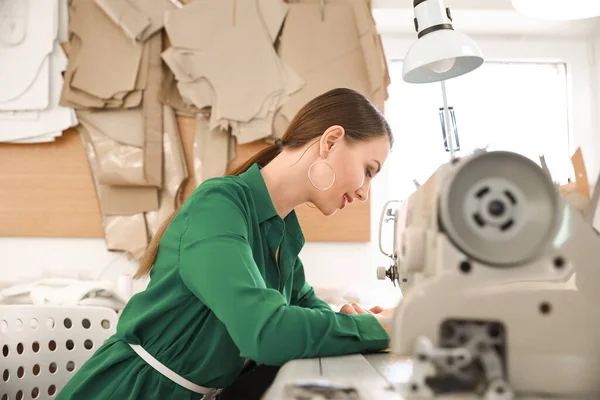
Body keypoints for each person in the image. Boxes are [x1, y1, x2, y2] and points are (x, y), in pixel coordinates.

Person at [56, 88, 394, 400]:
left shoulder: (283, 234)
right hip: (130, 391)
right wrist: (378, 327)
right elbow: (265, 333)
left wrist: (354, 321)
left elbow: (308, 315)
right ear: (331, 140)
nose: (365, 192)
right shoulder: (219, 205)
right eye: (368, 170)